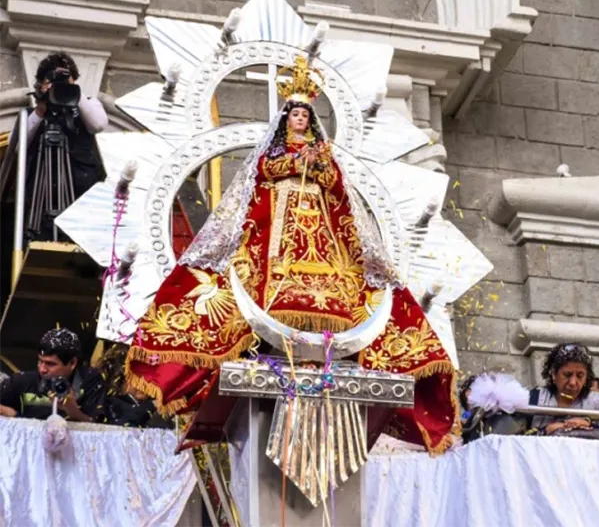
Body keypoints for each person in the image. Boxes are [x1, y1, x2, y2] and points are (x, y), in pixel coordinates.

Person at [125, 56, 456, 453]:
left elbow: (339, 195)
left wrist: (320, 168)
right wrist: (295, 162)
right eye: (295, 114)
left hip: (321, 236)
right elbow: (263, 173)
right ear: (286, 120)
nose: (300, 120)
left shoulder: (324, 156)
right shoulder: (273, 156)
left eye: (305, 115)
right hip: (278, 237)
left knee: (341, 279)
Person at [25, 51, 108, 241]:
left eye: (65, 79)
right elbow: (17, 146)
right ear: (41, 84)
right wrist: (39, 111)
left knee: (80, 232)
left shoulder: (87, 104)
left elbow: (98, 124)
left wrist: (74, 94)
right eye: (51, 80)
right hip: (42, 188)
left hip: (80, 185)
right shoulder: (32, 115)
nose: (58, 85)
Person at [0, 328, 105, 422]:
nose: (42, 369)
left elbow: (101, 430)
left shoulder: (90, 382)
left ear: (72, 363)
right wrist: (12, 415)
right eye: (40, 361)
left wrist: (73, 411)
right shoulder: (21, 381)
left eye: (50, 364)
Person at [528, 343, 599, 438]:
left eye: (580, 376)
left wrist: (589, 424)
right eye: (567, 375)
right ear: (553, 374)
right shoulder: (534, 398)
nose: (573, 382)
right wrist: (546, 430)